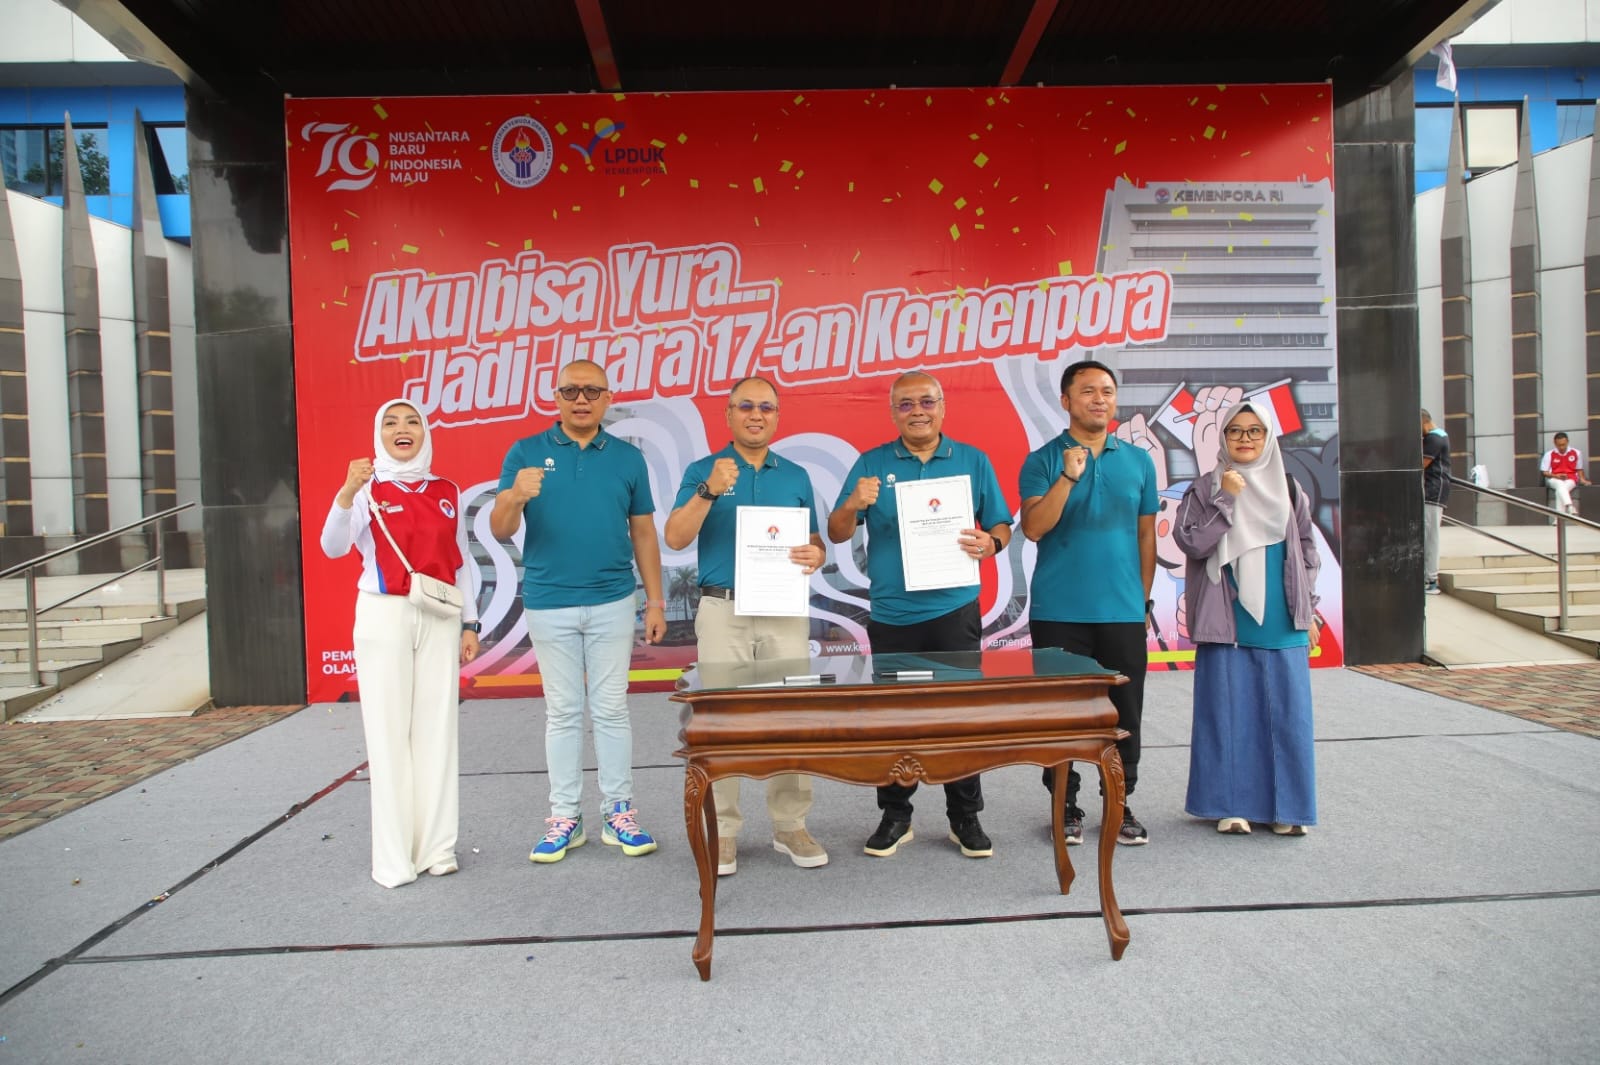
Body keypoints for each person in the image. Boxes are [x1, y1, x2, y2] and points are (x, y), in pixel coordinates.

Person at [827, 371, 1013, 859]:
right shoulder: (872, 464)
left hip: (954, 609)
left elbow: (1000, 524)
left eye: (926, 401)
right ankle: (896, 814)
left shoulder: (973, 460)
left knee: (959, 718)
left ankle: (964, 816)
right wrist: (853, 502)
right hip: (893, 612)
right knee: (897, 718)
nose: (917, 411)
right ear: (893, 413)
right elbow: (837, 531)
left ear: (942, 406)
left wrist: (991, 542)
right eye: (905, 404)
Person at [490, 359, 667, 863]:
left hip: (613, 600)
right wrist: (515, 497)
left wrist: (655, 601)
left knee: (611, 710)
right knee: (563, 713)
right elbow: (501, 530)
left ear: (609, 398)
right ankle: (565, 817)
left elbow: (644, 533)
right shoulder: (526, 452)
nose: (582, 399)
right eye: (571, 390)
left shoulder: (628, 460)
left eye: (592, 391)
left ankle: (619, 812)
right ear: (557, 397)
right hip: (549, 602)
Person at [664, 376, 829, 876]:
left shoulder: (796, 475)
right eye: (746, 406)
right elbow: (674, 537)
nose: (757, 415)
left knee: (791, 717)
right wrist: (709, 490)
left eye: (767, 407)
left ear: (778, 416)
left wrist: (815, 554)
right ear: (728, 414)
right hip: (723, 608)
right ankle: (725, 830)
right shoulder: (703, 470)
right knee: (721, 722)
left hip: (782, 608)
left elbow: (816, 542)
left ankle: (790, 824)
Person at [320, 399, 481, 888]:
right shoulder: (366, 492)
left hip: (439, 615)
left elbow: (461, 564)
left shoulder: (447, 491)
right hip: (383, 615)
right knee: (389, 736)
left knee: (437, 730)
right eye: (391, 422)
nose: (402, 429)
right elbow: (333, 547)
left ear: (425, 432)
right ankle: (393, 858)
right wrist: (346, 493)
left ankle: (437, 847)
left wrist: (470, 623)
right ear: (379, 434)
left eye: (412, 421)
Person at [1019, 360, 1157, 847]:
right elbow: (1034, 529)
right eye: (1087, 391)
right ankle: (1065, 805)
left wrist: (1141, 599)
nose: (1099, 399)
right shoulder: (1041, 460)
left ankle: (1120, 803)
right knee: (1060, 715)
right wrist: (1068, 477)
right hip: (1059, 611)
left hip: (1121, 611)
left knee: (1124, 715)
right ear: (1066, 401)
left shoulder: (1139, 461)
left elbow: (1145, 535)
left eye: (1107, 391)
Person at [1174, 398, 1321, 836]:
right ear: (1223, 438)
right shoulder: (1203, 488)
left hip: (1282, 616)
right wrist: (1226, 498)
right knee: (1227, 714)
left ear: (1268, 436)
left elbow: (1308, 551)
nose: (1245, 439)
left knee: (1287, 717)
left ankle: (1286, 810)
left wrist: (1308, 607)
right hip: (1227, 618)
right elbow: (1194, 544)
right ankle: (1230, 805)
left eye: (1254, 431)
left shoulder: (1290, 488)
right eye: (1235, 431)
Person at [1421, 410, 1450, 595]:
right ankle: (1428, 577)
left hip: (1433, 491)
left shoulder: (1433, 439)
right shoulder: (1442, 435)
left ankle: (1431, 579)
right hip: (1436, 490)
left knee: (1431, 535)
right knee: (1429, 534)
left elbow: (1420, 464)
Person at [1540, 432, 1588, 516]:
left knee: (1560, 490)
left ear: (1567, 441)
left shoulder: (1576, 453)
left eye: (1563, 444)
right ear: (1555, 443)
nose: (1562, 447)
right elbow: (1544, 472)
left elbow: (1579, 469)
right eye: (1559, 445)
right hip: (1554, 479)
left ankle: (1558, 519)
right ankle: (1569, 506)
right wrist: (1556, 476)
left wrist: (1583, 480)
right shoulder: (1549, 454)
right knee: (1559, 484)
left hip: (1571, 479)